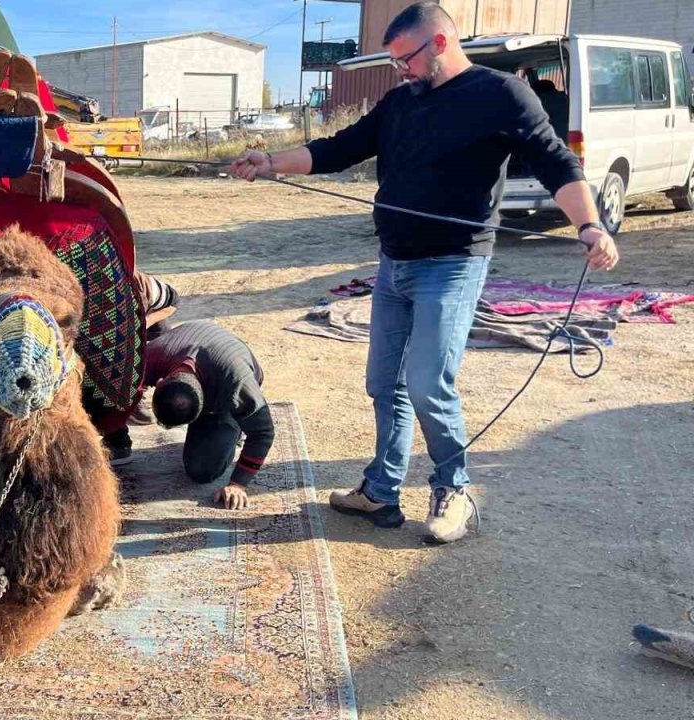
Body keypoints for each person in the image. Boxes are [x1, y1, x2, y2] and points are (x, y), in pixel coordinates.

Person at [231, 2, 619, 542]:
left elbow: (558, 162)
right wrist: (269, 162)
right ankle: (381, 491)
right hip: (394, 264)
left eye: (405, 58)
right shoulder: (399, 102)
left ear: (438, 43)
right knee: (384, 382)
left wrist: (590, 226)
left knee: (427, 384)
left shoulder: (500, 94)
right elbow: (338, 149)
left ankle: (454, 491)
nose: (400, 70)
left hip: (454, 264)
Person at [107, 320, 274, 511]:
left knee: (202, 471)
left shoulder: (236, 386)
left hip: (228, 379)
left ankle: (234, 425)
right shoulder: (150, 357)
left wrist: (238, 484)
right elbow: (112, 388)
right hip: (192, 344)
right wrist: (115, 431)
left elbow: (263, 433)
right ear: (159, 382)